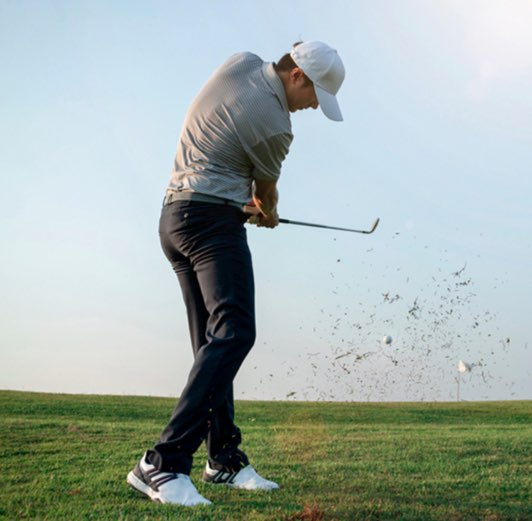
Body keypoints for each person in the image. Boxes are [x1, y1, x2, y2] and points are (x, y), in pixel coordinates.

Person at [127, 40, 345, 507]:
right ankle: (163, 462)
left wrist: (242, 195)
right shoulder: (276, 125)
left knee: (214, 344)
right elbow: (266, 198)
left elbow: (225, 135)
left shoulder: (240, 62)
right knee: (235, 332)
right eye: (314, 95)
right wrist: (267, 213)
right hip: (209, 225)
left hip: (174, 218)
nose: (312, 106)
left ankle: (223, 457)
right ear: (297, 76)